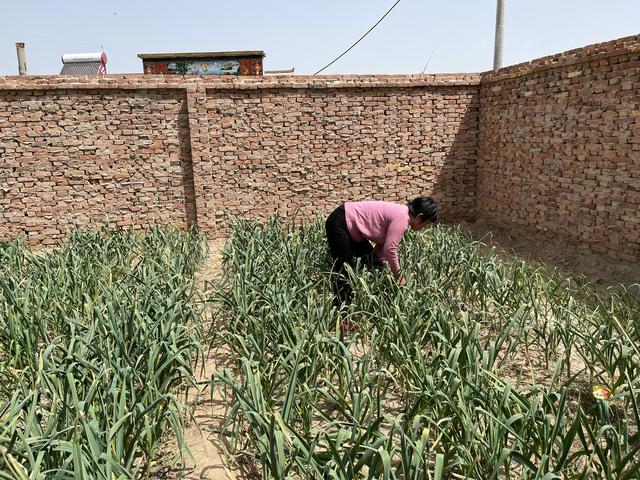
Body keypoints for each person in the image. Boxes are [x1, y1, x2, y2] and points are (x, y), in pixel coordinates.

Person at [325, 196, 437, 306]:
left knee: (374, 264)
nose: (424, 227)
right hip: (340, 222)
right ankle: (342, 316)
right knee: (345, 271)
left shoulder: (401, 214)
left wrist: (381, 265)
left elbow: (382, 246)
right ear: (419, 216)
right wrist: (398, 276)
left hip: (351, 226)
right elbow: (390, 249)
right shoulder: (402, 218)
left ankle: (380, 303)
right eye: (426, 224)